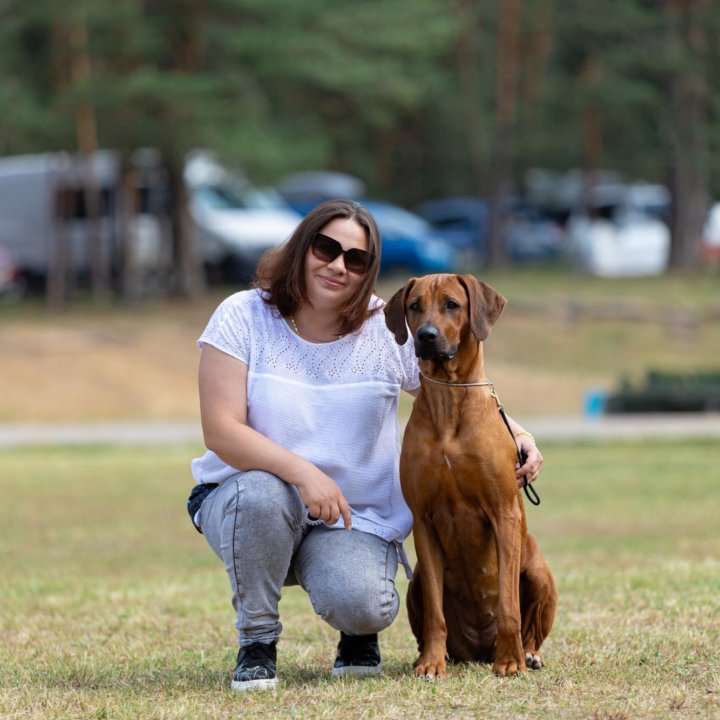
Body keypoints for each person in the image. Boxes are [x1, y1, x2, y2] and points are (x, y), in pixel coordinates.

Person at [187, 199, 543, 691]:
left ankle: (357, 634)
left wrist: (519, 435)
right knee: (263, 495)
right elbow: (221, 431)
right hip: (250, 502)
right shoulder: (243, 315)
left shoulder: (387, 327)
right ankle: (257, 643)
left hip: (346, 519)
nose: (337, 266)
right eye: (326, 248)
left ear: (368, 271)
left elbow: (458, 395)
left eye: (355, 259)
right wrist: (303, 473)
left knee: (366, 602)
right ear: (301, 247)